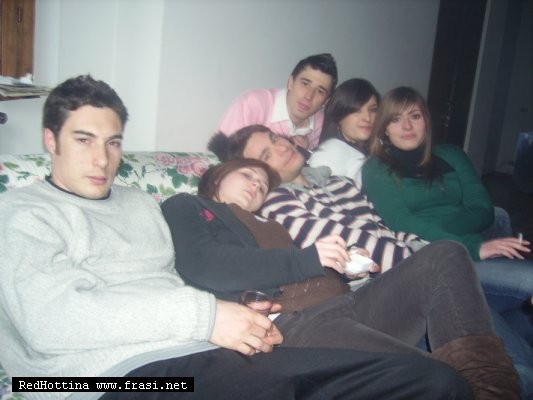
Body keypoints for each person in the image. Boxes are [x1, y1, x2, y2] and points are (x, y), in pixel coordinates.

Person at [0, 75, 476, 400]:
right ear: (51, 140)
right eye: (83, 139)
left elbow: (189, 273)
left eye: (113, 142)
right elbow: (49, 320)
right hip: (112, 379)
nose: (102, 159)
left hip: (210, 354)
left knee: (434, 382)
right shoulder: (24, 213)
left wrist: (242, 310)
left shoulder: (140, 204)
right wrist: (206, 315)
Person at [207, 124, 533, 399]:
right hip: (376, 286)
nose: (281, 147)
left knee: (464, 272)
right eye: (266, 155)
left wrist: (422, 248)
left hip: (411, 265)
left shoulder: (340, 183)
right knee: (488, 292)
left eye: (275, 138)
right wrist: (424, 259)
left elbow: (384, 230)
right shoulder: (276, 201)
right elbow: (346, 246)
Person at [362, 86, 533, 346]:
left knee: (515, 317)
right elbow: (402, 223)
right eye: (396, 119)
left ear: (426, 121)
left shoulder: (452, 154)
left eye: (415, 116)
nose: (407, 126)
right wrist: (472, 247)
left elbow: (483, 209)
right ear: (384, 128)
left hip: (467, 246)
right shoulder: (376, 168)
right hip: (437, 258)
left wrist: (448, 234)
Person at [217, 53, 338, 150]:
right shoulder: (253, 104)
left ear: (326, 101)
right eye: (305, 83)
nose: (309, 96)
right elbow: (219, 157)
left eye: (320, 91)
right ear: (290, 82)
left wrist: (306, 152)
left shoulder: (322, 124)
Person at [308, 78, 380, 185]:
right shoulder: (331, 152)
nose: (368, 118)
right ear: (339, 116)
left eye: (373, 110)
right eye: (357, 110)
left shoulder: (380, 149)